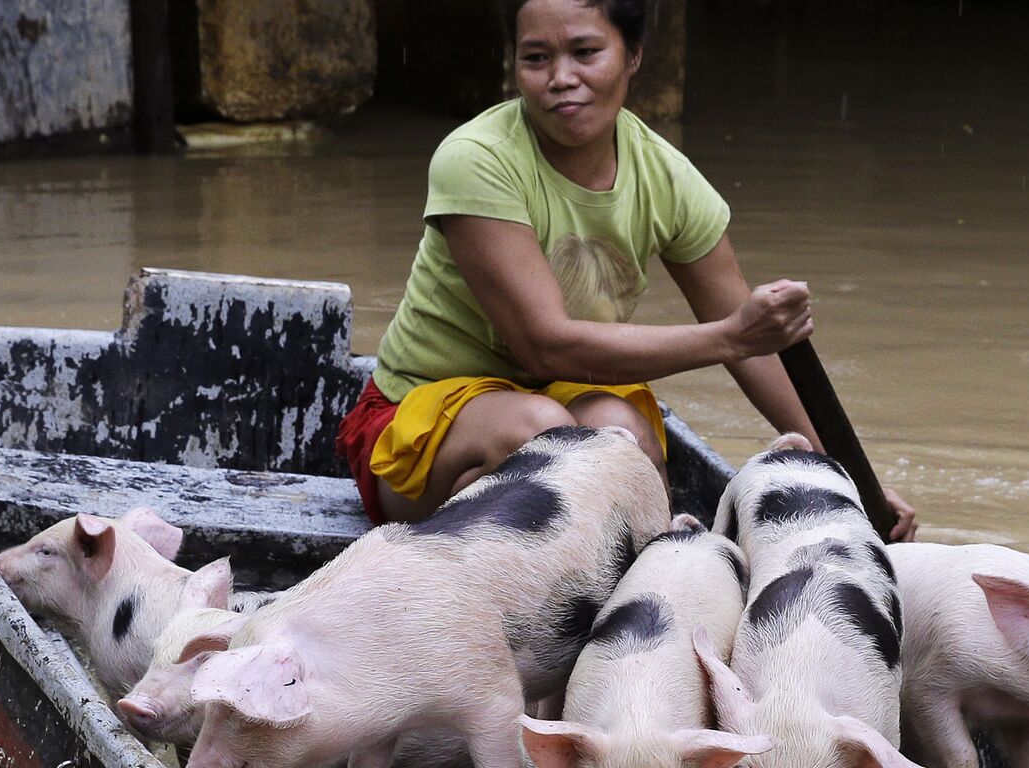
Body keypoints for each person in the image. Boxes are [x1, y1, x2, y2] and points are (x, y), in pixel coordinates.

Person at [336, 0, 917, 538]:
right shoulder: (477, 159)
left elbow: (756, 348)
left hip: (558, 404)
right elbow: (545, 346)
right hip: (417, 428)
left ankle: (631, 587)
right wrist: (727, 336)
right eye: (536, 59)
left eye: (585, 53)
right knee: (542, 433)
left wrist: (851, 481)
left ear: (634, 56)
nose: (561, 78)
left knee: (623, 434)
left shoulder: (665, 177)